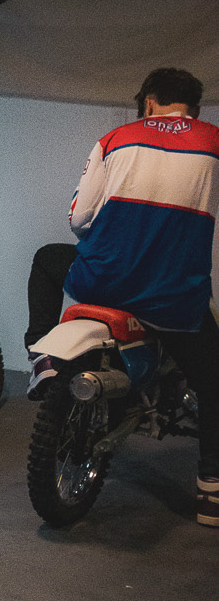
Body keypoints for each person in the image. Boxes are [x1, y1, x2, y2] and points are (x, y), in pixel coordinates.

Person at [26, 66, 219, 525]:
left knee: (48, 258)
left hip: (101, 282)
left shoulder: (114, 139)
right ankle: (211, 489)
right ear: (194, 108)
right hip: (172, 298)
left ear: (148, 102)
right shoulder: (213, 141)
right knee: (213, 380)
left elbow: (78, 219)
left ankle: (41, 353)